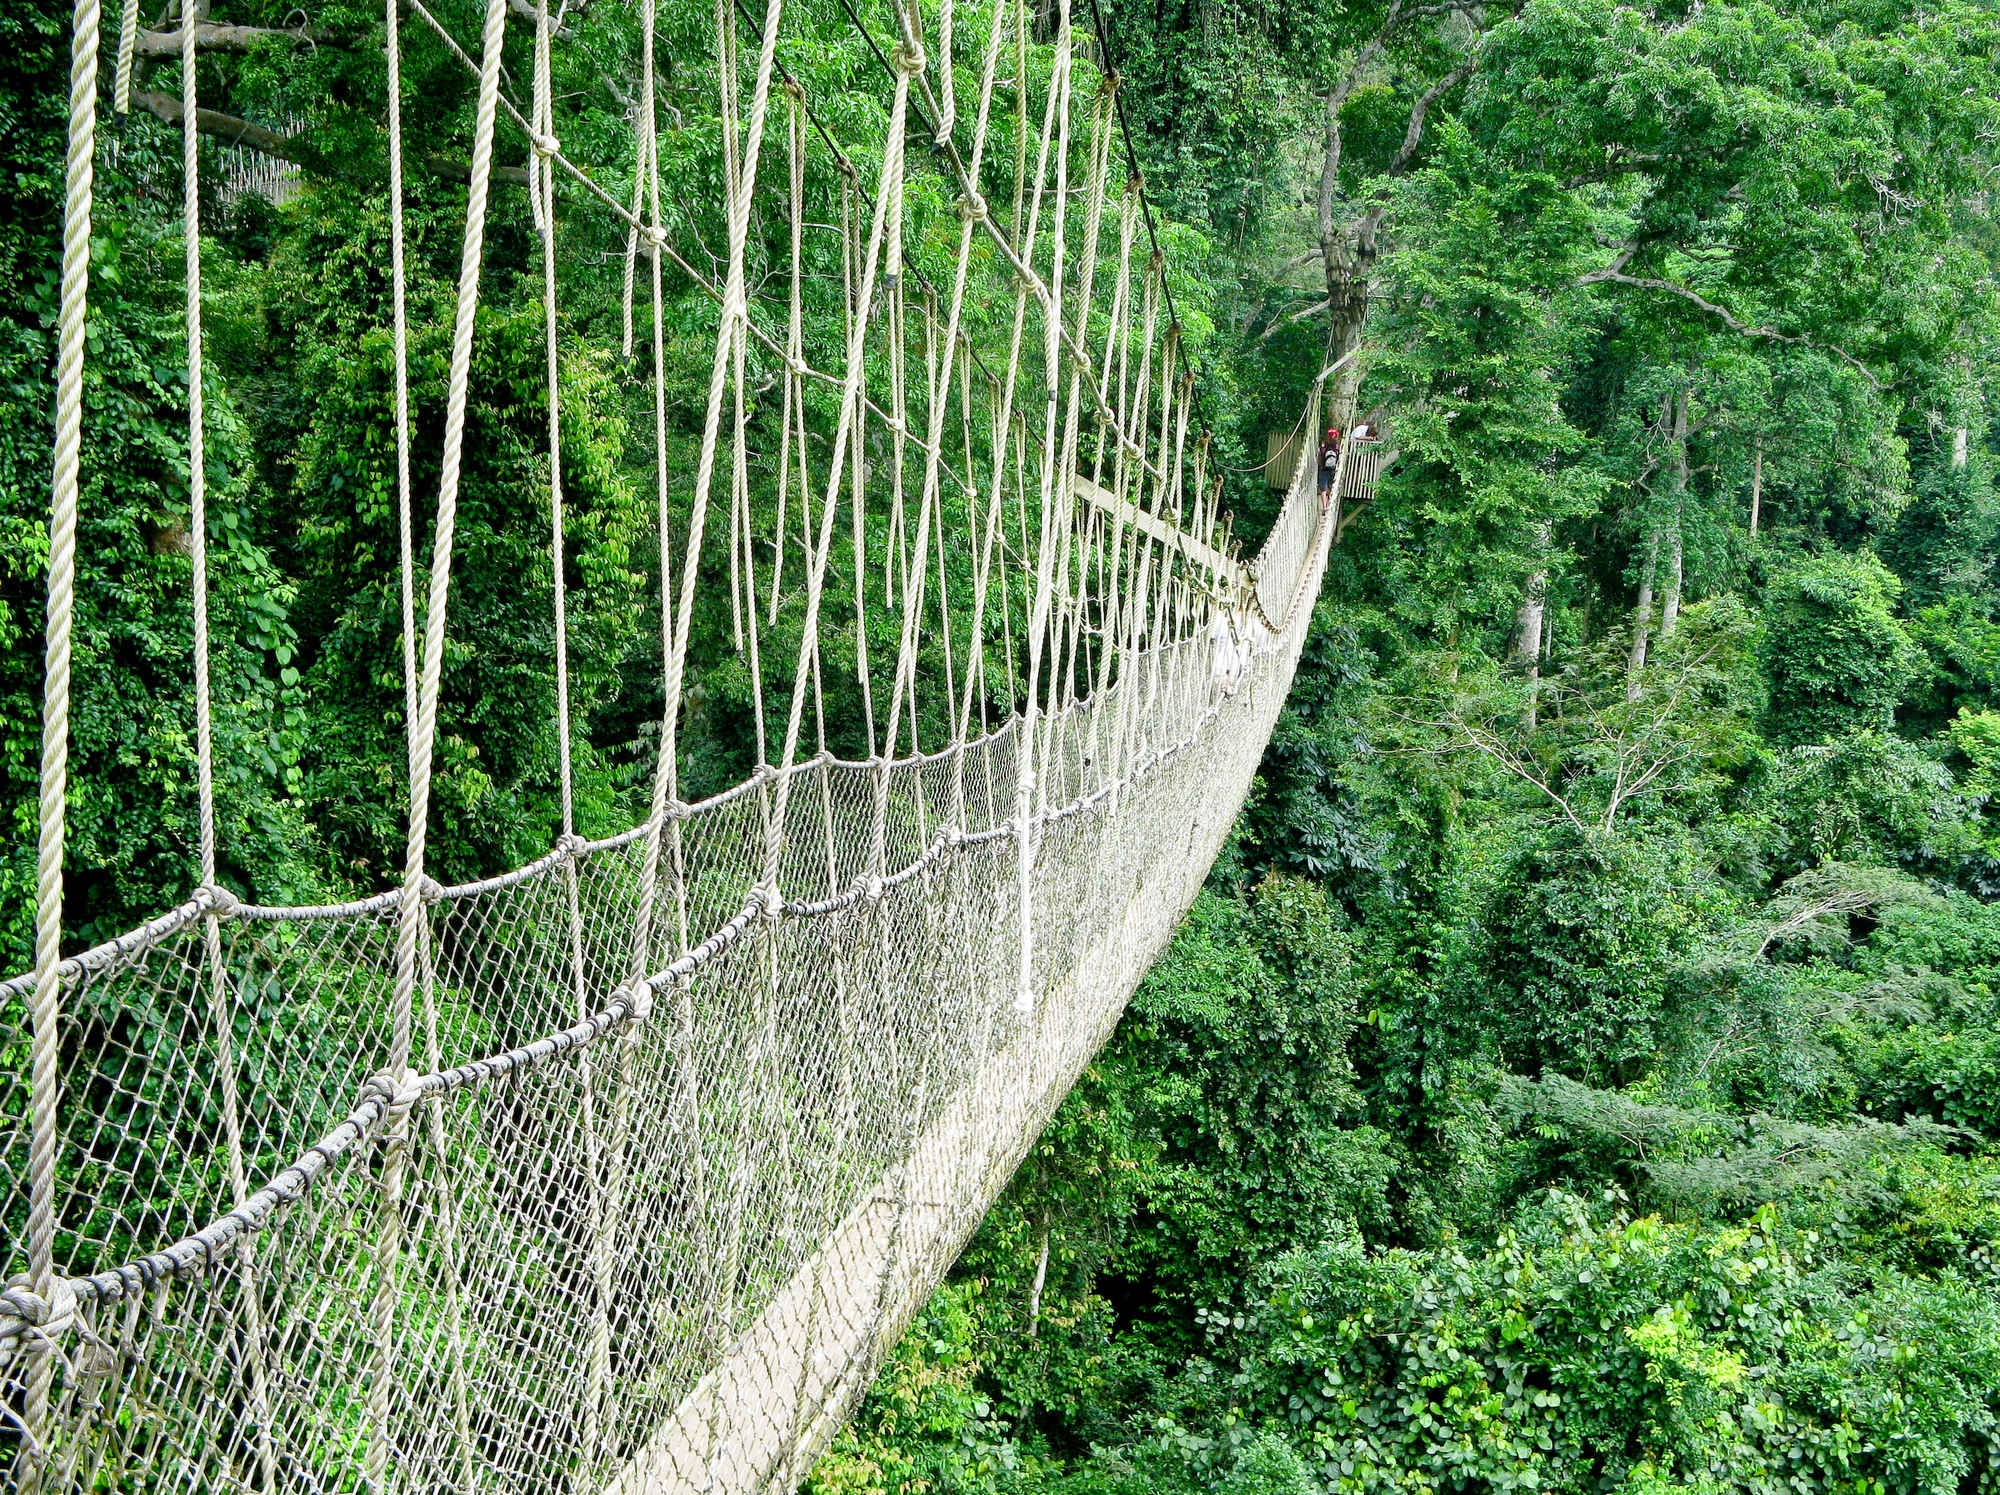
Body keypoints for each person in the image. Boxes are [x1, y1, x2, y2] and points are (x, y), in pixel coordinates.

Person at [1316, 426, 1342, 506]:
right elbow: (1338, 456)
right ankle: (1330, 505)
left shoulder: (1324, 444)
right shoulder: (1337, 445)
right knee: (1330, 488)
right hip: (1333, 470)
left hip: (1323, 469)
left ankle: (1324, 506)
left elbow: (1320, 455)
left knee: (1323, 490)